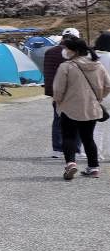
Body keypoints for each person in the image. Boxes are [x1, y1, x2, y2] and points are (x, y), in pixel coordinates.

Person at [52, 34, 107, 181]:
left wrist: (59, 102)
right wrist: (99, 97)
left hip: (70, 107)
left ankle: (70, 163)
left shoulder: (66, 66)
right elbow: (107, 85)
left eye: (66, 49)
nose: (64, 51)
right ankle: (93, 168)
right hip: (92, 107)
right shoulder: (97, 65)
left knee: (69, 136)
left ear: (74, 51)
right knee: (88, 138)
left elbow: (58, 89)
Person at [41, 29, 77, 162]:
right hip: (72, 91)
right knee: (76, 120)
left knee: (57, 120)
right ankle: (76, 149)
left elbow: (48, 73)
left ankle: (56, 149)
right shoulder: (72, 52)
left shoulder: (50, 51)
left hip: (55, 91)